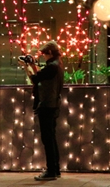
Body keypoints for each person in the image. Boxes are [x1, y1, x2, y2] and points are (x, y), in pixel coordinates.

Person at [20, 41, 64, 181]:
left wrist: (26, 67)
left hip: (47, 105)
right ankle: (55, 169)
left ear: (50, 52)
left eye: (44, 54)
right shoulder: (57, 64)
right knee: (51, 138)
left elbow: (35, 78)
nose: (43, 56)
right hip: (52, 104)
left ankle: (51, 171)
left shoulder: (52, 66)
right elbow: (41, 75)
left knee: (47, 139)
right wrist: (33, 65)